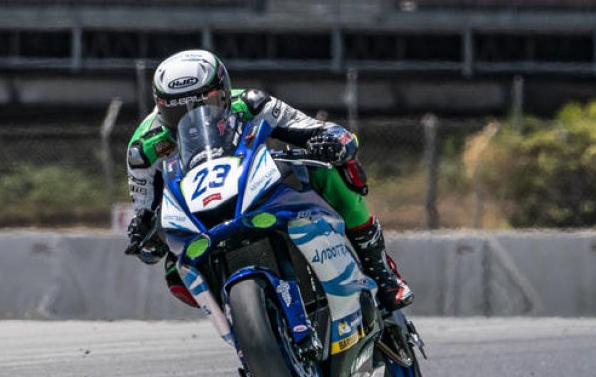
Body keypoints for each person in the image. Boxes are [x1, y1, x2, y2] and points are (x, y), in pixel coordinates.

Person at [124, 49, 414, 311]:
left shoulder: (251, 103)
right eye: (176, 111)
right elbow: (145, 208)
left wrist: (332, 140)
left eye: (204, 104)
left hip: (258, 187)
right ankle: (241, 328)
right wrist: (145, 231)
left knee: (330, 171)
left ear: (223, 92)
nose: (192, 116)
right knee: (175, 274)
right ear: (160, 107)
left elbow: (312, 127)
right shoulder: (144, 148)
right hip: (200, 213)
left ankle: (383, 273)